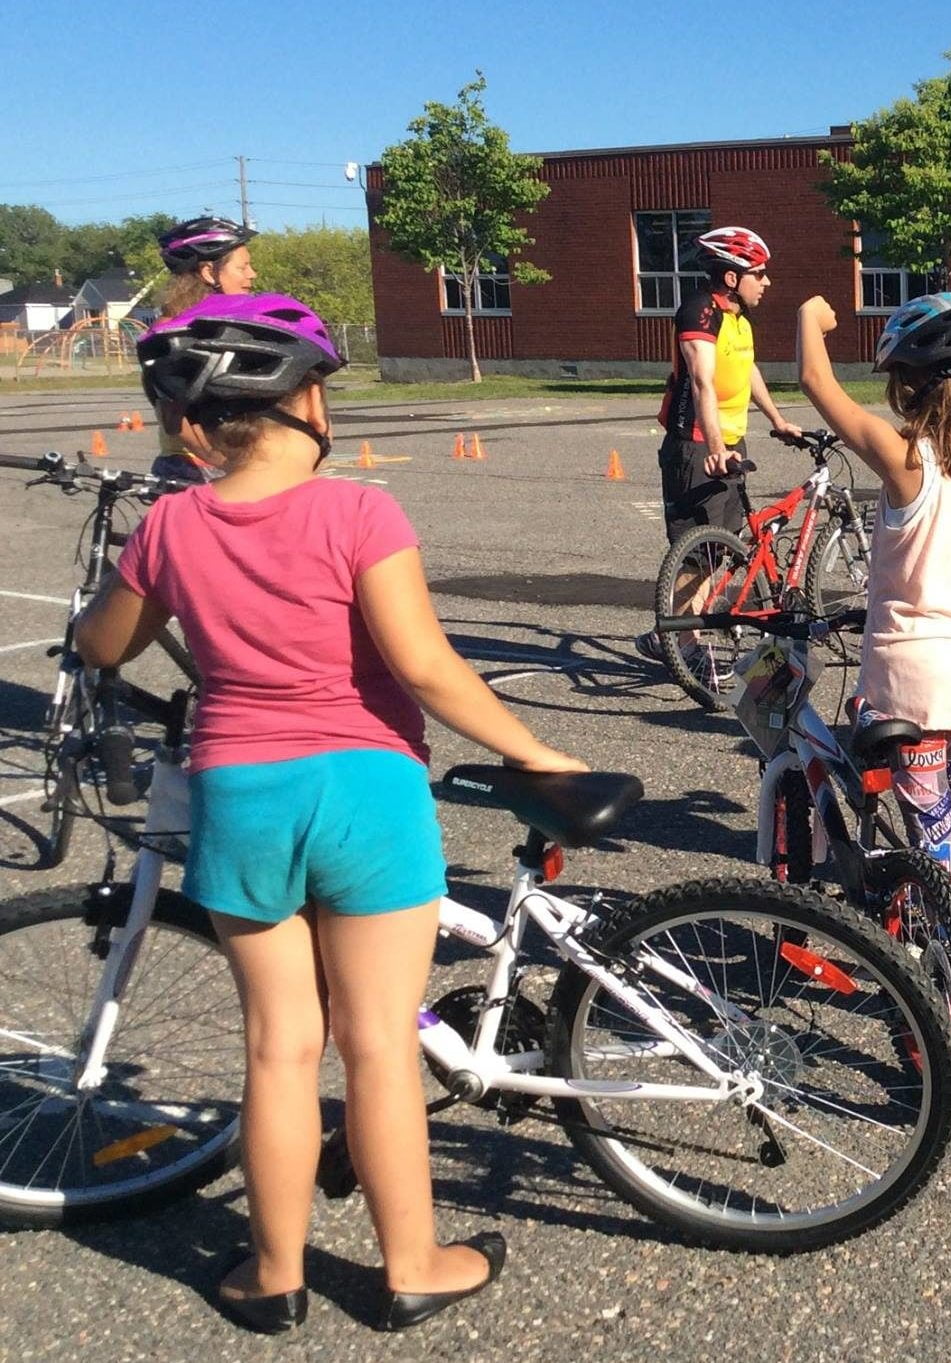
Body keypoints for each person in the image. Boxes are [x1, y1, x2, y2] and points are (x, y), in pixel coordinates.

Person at [75, 293, 584, 1335]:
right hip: (365, 790)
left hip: (239, 794)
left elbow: (102, 645)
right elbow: (424, 665)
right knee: (379, 1043)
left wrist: (139, 581)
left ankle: (274, 1274)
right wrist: (535, 751)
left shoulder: (170, 524)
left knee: (279, 1046)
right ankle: (412, 1264)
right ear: (308, 403)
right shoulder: (359, 513)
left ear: (196, 426)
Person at [793, 290, 951, 1008]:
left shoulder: (905, 459)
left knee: (932, 833)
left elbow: (817, 383)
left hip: (911, 678)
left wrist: (810, 316)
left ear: (910, 384)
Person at [638, 225, 802, 659]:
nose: (767, 282)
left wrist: (778, 420)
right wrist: (714, 449)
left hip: (730, 442)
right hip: (696, 447)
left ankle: (672, 634)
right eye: (759, 274)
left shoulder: (738, 319)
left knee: (720, 546)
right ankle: (679, 640)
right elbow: (701, 382)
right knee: (697, 549)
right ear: (732, 277)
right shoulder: (700, 312)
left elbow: (748, 370)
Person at [149, 216, 259, 485]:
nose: (252, 274)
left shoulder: (235, 324)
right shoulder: (173, 331)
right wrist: (229, 465)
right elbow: (175, 415)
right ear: (209, 272)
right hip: (195, 469)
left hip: (239, 465)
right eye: (242, 267)